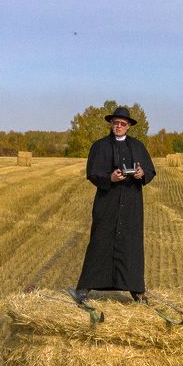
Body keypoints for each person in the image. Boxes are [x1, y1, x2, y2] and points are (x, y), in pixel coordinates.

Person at [73, 106, 156, 303]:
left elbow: (150, 171)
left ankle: (136, 288)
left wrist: (141, 174)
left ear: (128, 127)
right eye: (116, 123)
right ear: (111, 124)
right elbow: (92, 173)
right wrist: (109, 177)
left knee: (131, 244)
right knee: (100, 240)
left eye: (122, 124)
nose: (118, 126)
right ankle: (85, 287)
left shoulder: (138, 146)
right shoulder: (99, 146)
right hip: (107, 202)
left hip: (131, 204)